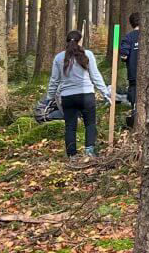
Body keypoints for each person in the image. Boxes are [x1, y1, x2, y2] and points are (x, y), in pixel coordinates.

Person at [45, 30, 112, 164]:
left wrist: (49, 97)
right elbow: (95, 76)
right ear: (81, 41)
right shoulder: (88, 55)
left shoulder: (59, 58)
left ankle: (72, 155)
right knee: (90, 123)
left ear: (67, 42)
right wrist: (105, 93)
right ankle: (89, 151)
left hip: (67, 97)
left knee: (70, 126)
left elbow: (54, 80)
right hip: (87, 95)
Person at [119, 12, 141, 127]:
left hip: (133, 74)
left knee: (134, 95)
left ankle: (134, 116)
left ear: (131, 23)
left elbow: (124, 56)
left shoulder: (128, 37)